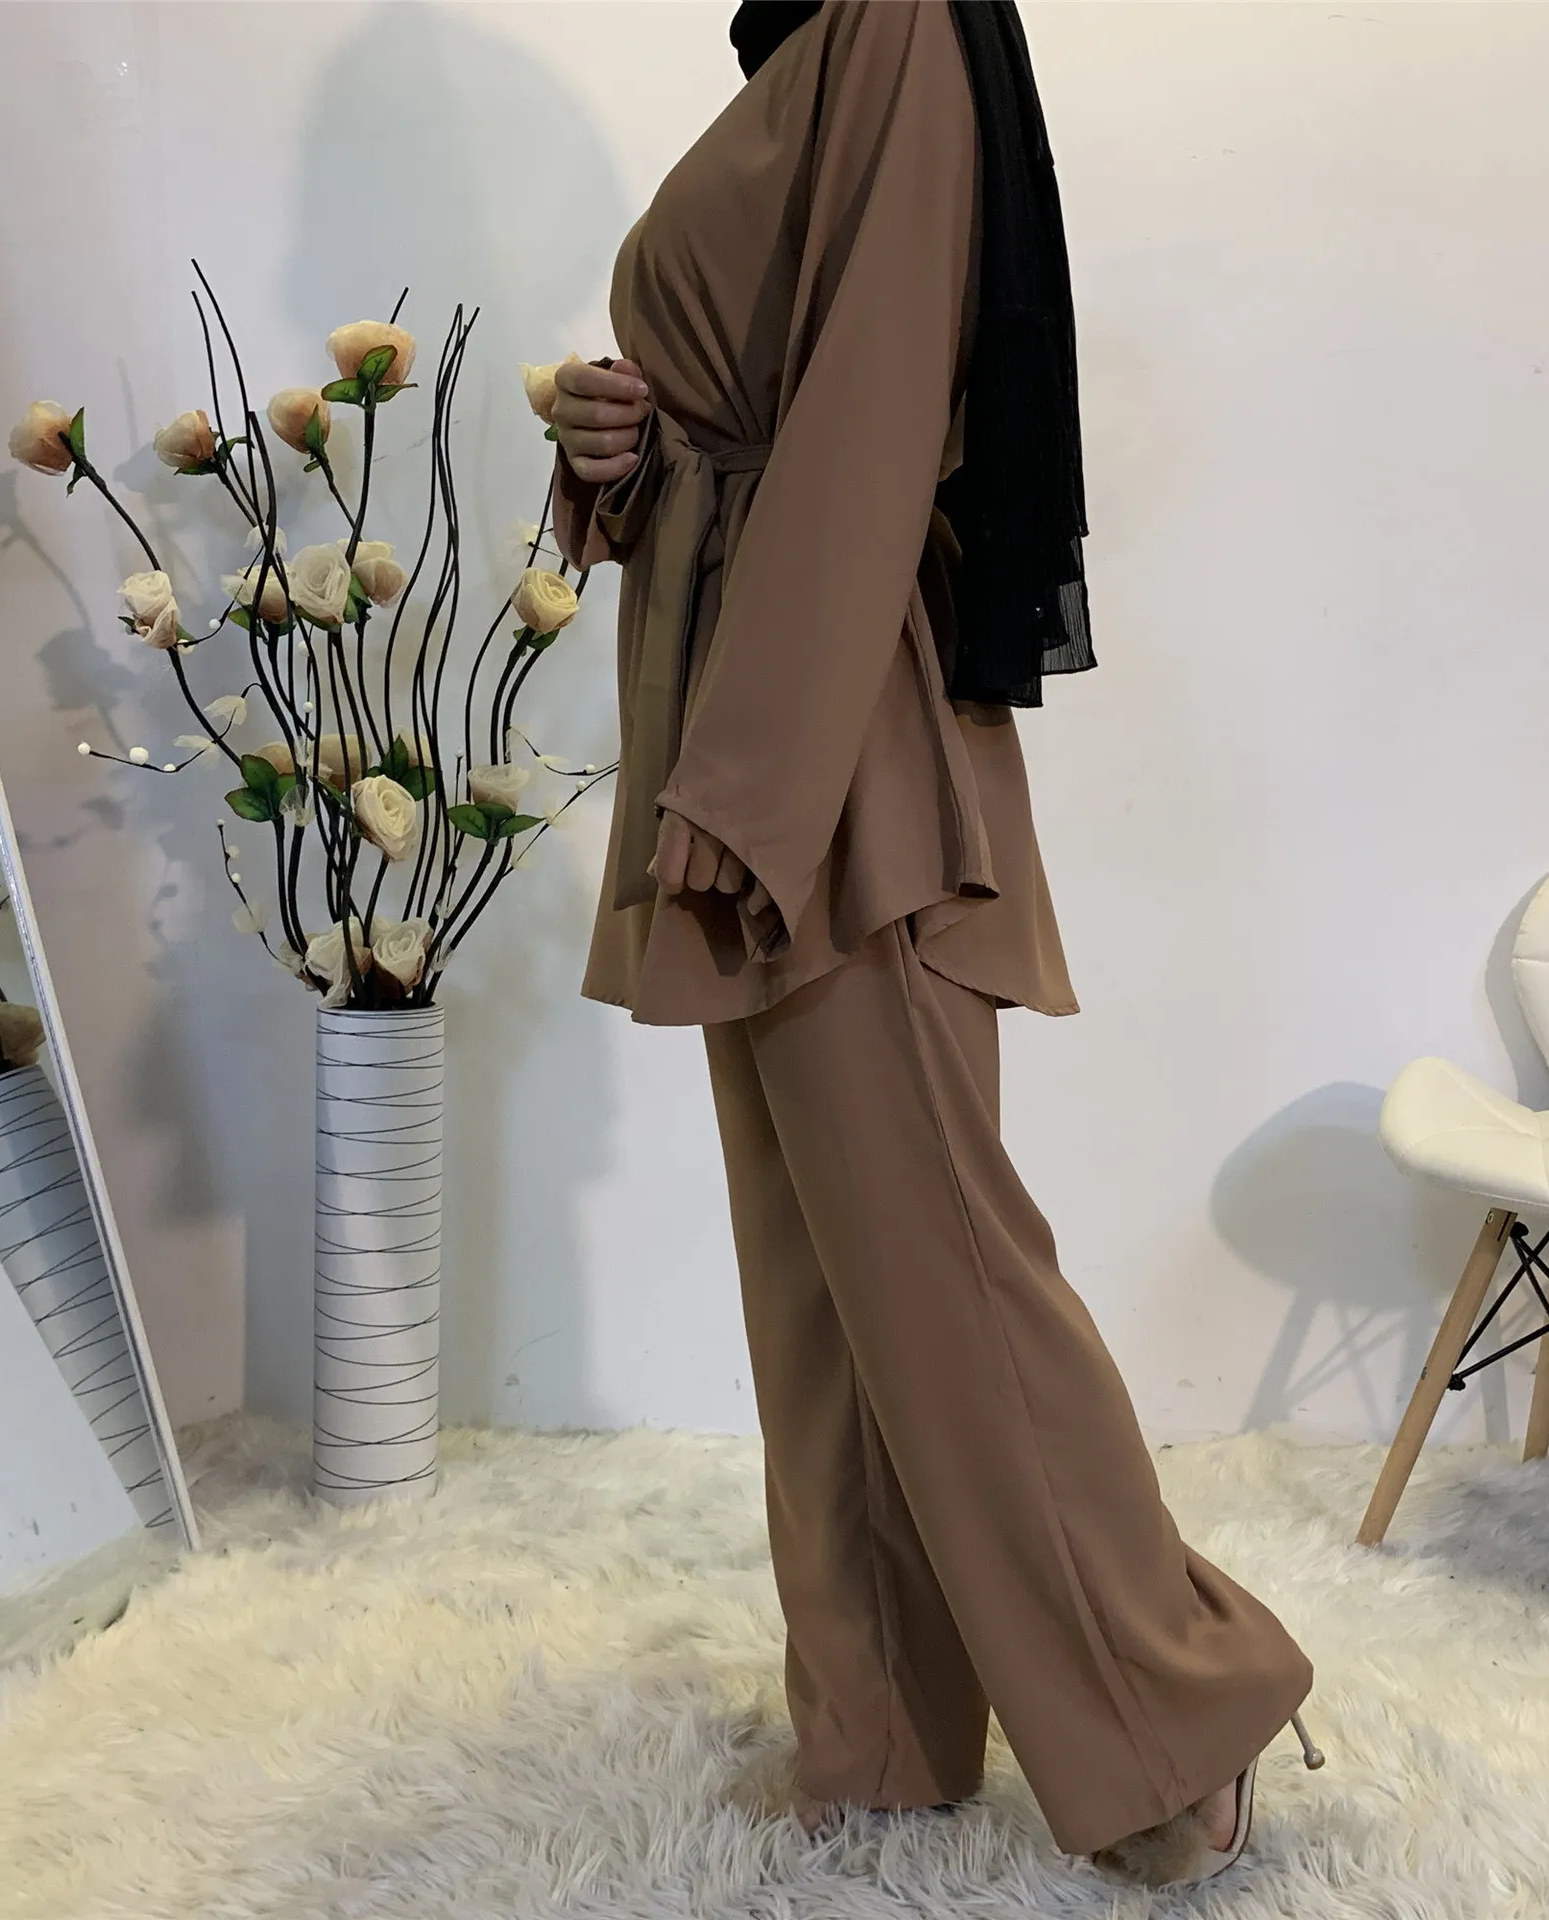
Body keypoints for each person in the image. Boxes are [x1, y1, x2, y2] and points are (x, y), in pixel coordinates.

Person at [550, 0, 1316, 1887]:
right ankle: (882, 1731)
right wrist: (615, 453)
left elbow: (875, 422)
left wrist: (755, 784)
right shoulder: (804, 44)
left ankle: (1179, 1716)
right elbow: (763, 412)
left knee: (943, 1272)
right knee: (822, 1279)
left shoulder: (892, 18)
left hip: (827, 749)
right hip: (751, 702)